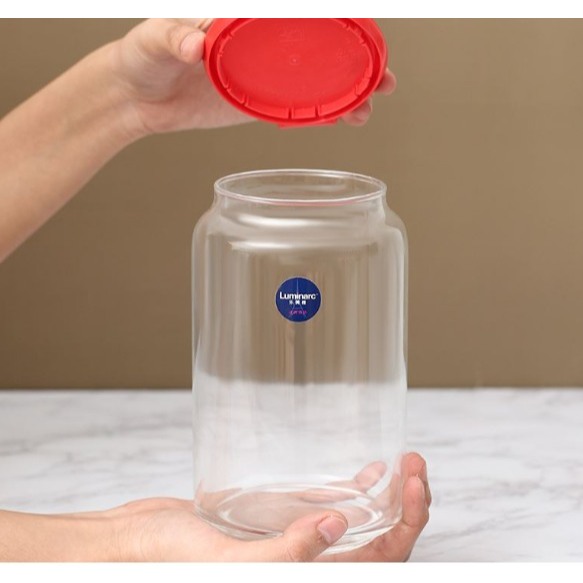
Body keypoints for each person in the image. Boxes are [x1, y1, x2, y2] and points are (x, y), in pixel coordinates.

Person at [0, 19, 430, 562]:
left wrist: (129, 96)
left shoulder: (378, 234)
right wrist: (132, 544)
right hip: (220, 511)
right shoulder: (224, 233)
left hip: (357, 510)